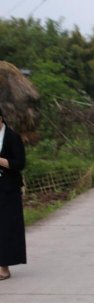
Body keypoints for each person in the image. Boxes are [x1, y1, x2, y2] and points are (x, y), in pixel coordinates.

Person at [0, 106, 27, 280]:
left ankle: (4, 267)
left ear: (1, 118)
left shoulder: (12, 137)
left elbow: (20, 163)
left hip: (7, 189)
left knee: (5, 227)